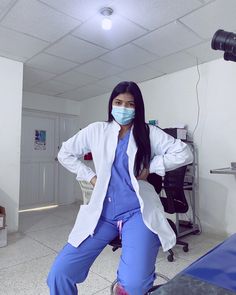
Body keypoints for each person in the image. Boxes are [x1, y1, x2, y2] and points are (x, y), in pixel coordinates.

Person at [47, 81, 193, 295]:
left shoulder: (148, 132)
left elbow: (184, 152)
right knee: (59, 274)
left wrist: (151, 167)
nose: (123, 108)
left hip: (137, 214)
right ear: (111, 104)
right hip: (102, 214)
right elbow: (65, 153)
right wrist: (90, 176)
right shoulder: (97, 130)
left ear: (138, 107)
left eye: (130, 104)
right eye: (118, 102)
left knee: (133, 285)